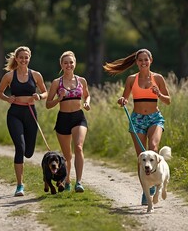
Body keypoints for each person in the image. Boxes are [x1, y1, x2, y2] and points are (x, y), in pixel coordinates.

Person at [103, 48, 171, 204]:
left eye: (146, 60)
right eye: (140, 60)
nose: (143, 62)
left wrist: (159, 94)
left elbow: (168, 100)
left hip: (155, 118)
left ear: (150, 60)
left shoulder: (158, 78)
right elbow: (125, 98)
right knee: (141, 157)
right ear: (136, 62)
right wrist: (122, 101)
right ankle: (146, 191)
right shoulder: (131, 79)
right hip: (137, 119)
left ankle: (154, 186)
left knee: (153, 148)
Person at [0, 46, 48, 196]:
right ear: (16, 59)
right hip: (15, 114)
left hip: (30, 113)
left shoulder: (36, 75)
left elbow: (45, 92)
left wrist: (40, 96)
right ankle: (20, 185)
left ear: (29, 58)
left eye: (26, 57)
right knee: (20, 147)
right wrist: (7, 98)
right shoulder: (9, 76)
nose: (23, 60)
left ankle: (22, 174)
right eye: (21, 57)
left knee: (29, 152)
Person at [46, 51, 91, 193]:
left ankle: (79, 182)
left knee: (78, 147)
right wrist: (59, 99)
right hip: (63, 119)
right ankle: (67, 180)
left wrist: (87, 103)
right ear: (61, 65)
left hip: (78, 117)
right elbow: (48, 104)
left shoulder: (81, 81)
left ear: (75, 63)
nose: (69, 65)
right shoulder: (56, 83)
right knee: (67, 156)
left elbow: (87, 95)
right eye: (65, 63)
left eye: (71, 62)